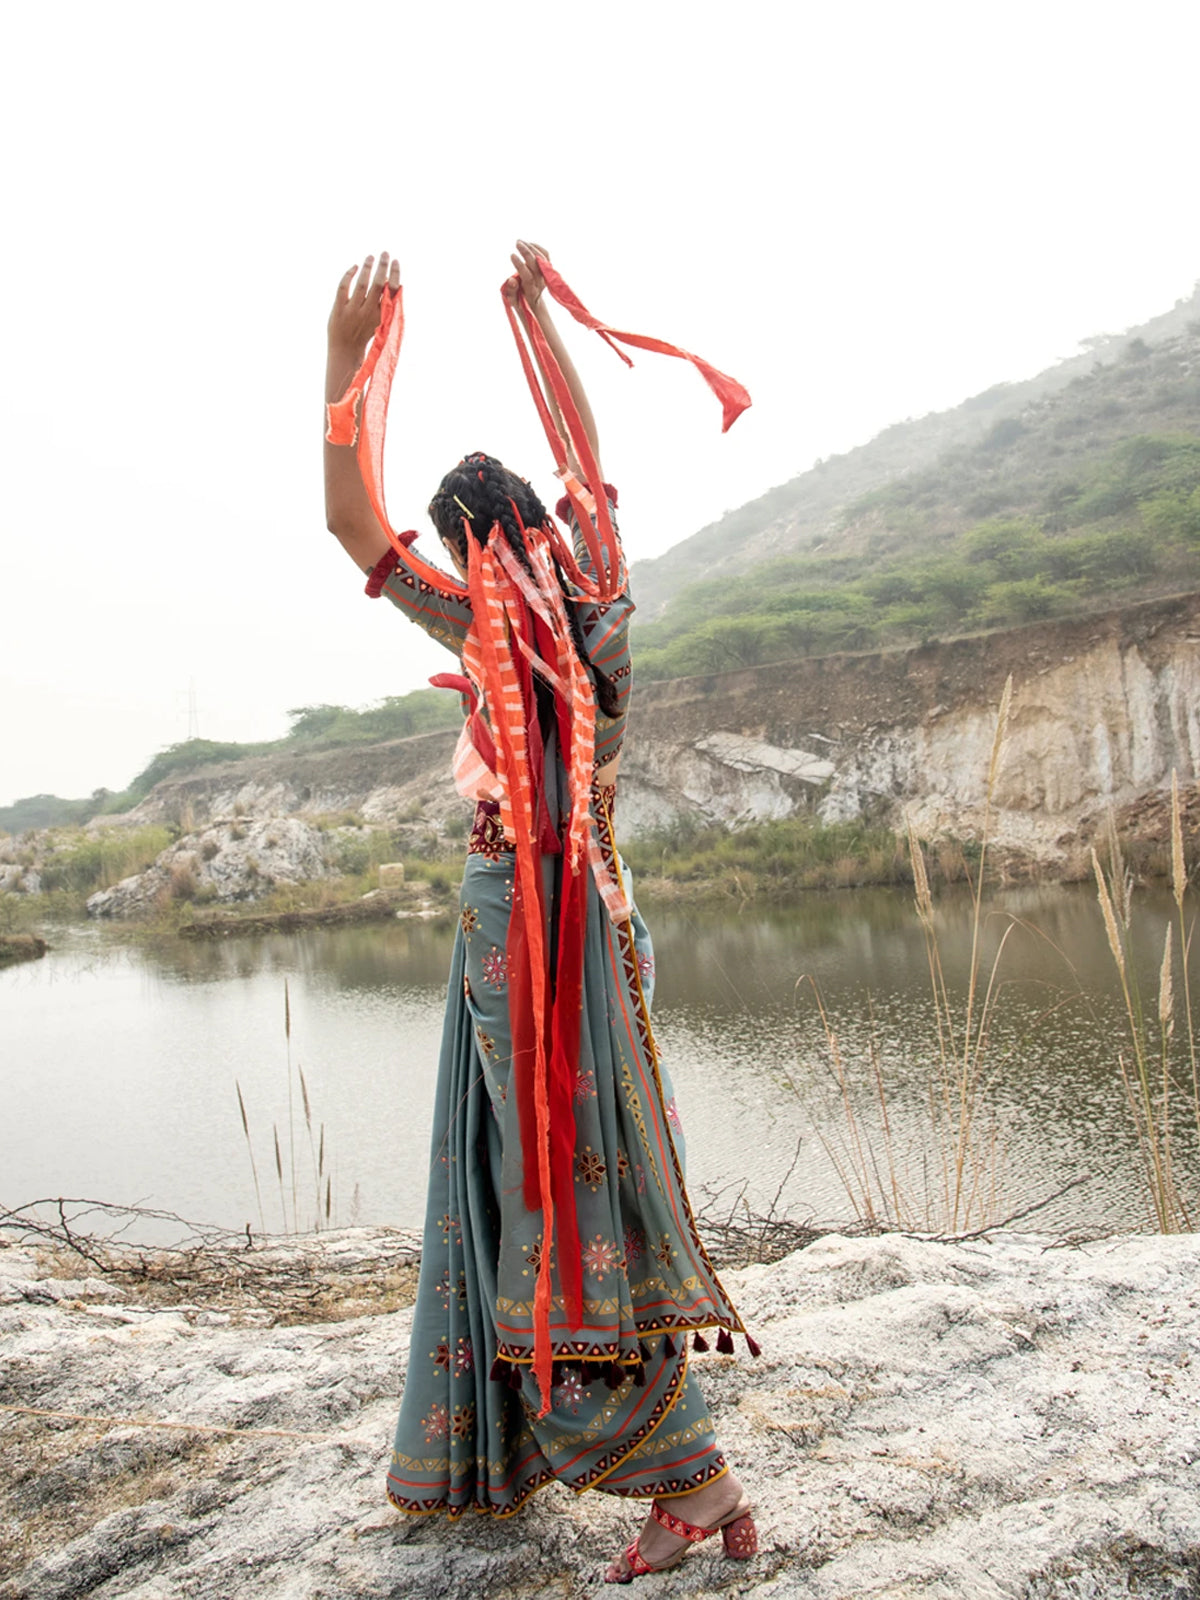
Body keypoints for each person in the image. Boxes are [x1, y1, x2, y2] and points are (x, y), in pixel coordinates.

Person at [323, 242, 757, 1581]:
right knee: (575, 1189)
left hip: (531, 933)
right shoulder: (596, 609)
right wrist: (540, 322)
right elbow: (589, 451)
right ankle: (682, 1486)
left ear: (470, 543)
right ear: (543, 527)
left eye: (458, 542)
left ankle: (690, 1482)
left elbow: (352, 528)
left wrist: (347, 366)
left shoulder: (487, 624)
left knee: (551, 1205)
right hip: (597, 930)